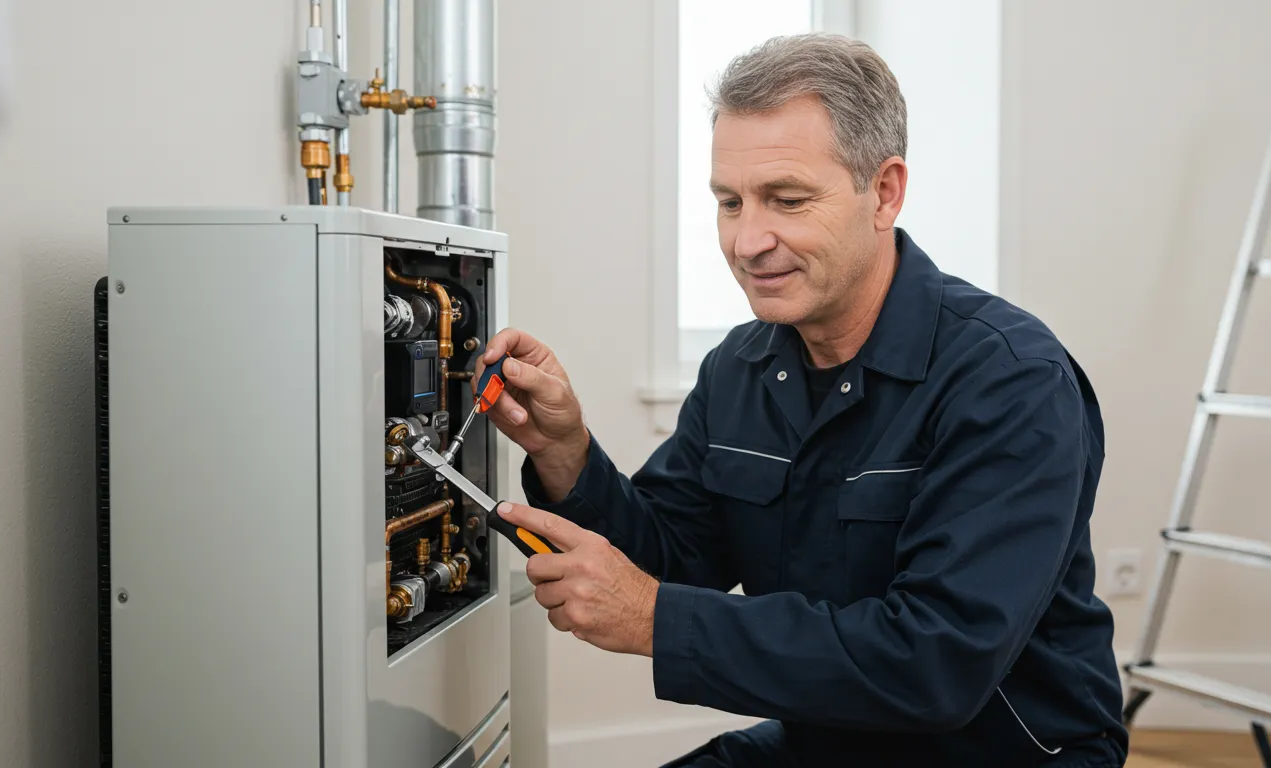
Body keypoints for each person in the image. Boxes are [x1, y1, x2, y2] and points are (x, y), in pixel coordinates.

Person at [480, 33, 1127, 767]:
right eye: (730, 202)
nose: (748, 240)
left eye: (786, 200)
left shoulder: (1010, 380)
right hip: (830, 740)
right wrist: (565, 453)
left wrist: (656, 620)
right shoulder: (740, 368)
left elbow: (935, 665)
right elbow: (668, 561)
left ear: (883, 192)